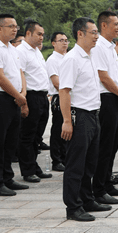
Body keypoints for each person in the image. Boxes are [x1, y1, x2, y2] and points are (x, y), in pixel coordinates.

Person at [59, 17, 110, 222]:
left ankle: (87, 199)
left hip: (92, 114)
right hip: (79, 115)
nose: (97, 36)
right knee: (76, 164)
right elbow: (64, 91)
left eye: (97, 32)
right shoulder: (72, 58)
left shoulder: (90, 57)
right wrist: (67, 121)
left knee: (90, 162)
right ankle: (73, 207)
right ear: (80, 34)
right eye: (93, 33)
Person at [0, 14, 29, 196]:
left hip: (15, 98)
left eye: (16, 26)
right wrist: (18, 96)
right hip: (1, 98)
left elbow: (20, 73)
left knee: (11, 140)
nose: (14, 29)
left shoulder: (12, 48)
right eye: (10, 26)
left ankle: (7, 177)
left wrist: (22, 95)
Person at [91, 10, 118, 204]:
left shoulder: (111, 47)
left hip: (115, 96)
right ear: (103, 25)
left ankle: (107, 183)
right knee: (105, 145)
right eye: (115, 24)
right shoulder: (98, 46)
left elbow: (117, 75)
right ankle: (98, 189)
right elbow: (103, 76)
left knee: (113, 144)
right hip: (106, 98)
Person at [17, 19, 52, 183]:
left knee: (37, 136)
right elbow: (20, 75)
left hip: (42, 96)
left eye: (43, 35)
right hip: (30, 96)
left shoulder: (36, 51)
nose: (41, 38)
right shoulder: (21, 51)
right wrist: (23, 102)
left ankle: (34, 166)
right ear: (28, 33)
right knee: (27, 135)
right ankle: (27, 170)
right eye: (39, 34)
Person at [46, 31, 69, 171]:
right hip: (59, 97)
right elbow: (56, 83)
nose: (65, 43)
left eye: (66, 40)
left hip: (71, 96)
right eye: (61, 40)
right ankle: (57, 160)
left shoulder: (69, 58)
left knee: (68, 130)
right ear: (53, 43)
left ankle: (66, 157)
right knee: (58, 129)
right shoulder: (52, 60)